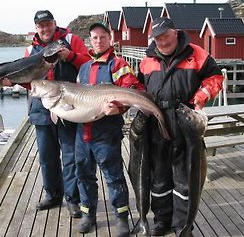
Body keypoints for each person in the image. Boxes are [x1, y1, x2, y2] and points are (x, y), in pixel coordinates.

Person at [137, 17, 223, 236]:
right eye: (157, 38)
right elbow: (138, 87)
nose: (162, 42)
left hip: (185, 121)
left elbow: (215, 78)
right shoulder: (146, 60)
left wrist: (200, 98)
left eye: (165, 36)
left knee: (186, 179)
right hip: (157, 124)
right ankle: (161, 221)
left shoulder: (197, 53)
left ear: (175, 32)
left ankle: (183, 224)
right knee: (159, 178)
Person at [75, 23, 144, 237]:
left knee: (113, 176)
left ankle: (121, 216)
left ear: (110, 39)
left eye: (102, 37)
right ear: (89, 41)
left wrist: (118, 108)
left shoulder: (118, 64)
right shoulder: (84, 68)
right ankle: (88, 214)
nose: (98, 41)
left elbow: (133, 91)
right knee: (84, 175)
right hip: (82, 133)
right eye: (94, 38)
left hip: (106, 132)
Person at [25, 10, 89, 217]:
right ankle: (53, 195)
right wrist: (12, 81)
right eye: (40, 25)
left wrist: (69, 56)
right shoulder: (30, 50)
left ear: (54, 23)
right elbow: (27, 81)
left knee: (70, 155)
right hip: (41, 107)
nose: (45, 28)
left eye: (48, 24)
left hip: (68, 104)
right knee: (47, 156)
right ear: (36, 28)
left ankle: (72, 198)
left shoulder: (71, 40)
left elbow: (87, 64)